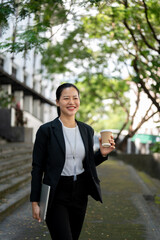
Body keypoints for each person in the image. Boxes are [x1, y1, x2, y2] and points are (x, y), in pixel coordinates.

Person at [30, 83, 115, 240]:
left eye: (75, 98)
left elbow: (87, 163)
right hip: (56, 193)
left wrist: (102, 154)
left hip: (80, 193)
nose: (71, 102)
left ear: (79, 101)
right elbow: (37, 167)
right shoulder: (46, 130)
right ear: (57, 102)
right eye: (66, 98)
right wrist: (35, 201)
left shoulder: (87, 130)